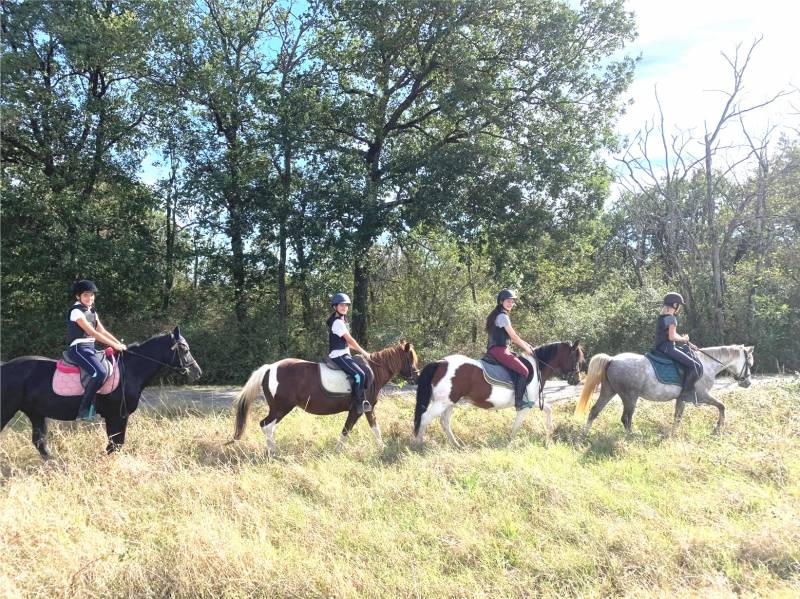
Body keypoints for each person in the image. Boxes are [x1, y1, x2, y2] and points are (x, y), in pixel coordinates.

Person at [66, 280, 126, 420]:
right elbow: (93, 333)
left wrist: (119, 344)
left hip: (90, 348)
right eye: (86, 295)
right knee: (100, 372)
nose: (90, 298)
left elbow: (102, 331)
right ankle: (84, 409)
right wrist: (114, 345)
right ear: (78, 297)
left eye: (92, 295)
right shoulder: (76, 312)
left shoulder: (92, 311)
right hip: (78, 348)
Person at [486, 289, 535, 410]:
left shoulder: (498, 315)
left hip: (498, 349)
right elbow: (513, 336)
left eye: (512, 302)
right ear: (501, 301)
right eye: (508, 301)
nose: (510, 304)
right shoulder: (502, 316)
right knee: (524, 371)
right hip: (499, 350)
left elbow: (513, 337)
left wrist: (527, 344)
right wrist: (526, 349)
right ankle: (519, 403)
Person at [327, 292, 372, 414]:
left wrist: (361, 352)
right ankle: (358, 403)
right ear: (335, 307)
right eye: (341, 305)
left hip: (344, 354)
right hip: (338, 355)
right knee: (360, 375)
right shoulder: (337, 322)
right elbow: (351, 340)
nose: (344, 307)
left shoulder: (342, 321)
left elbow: (349, 344)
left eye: (346, 305)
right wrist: (364, 352)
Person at [654, 292, 702, 404]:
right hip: (668, 348)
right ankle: (686, 394)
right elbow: (671, 337)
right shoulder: (671, 318)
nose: (679, 307)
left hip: (660, 347)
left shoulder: (662, 317)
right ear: (675, 305)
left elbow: (671, 334)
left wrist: (688, 343)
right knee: (695, 366)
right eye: (679, 305)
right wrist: (684, 339)